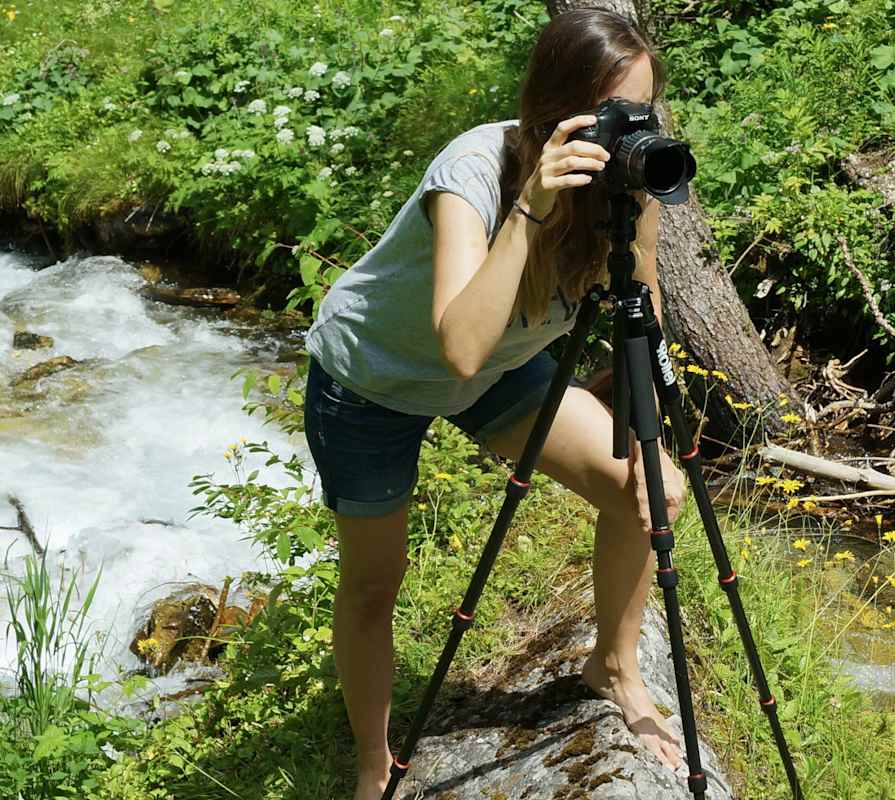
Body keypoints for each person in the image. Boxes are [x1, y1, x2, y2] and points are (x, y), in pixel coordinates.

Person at [302, 8, 688, 799]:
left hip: (496, 369)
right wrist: (533, 207)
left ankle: (613, 667)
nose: (629, 135)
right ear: (554, 109)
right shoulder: (474, 170)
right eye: (609, 117)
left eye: (641, 113)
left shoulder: (636, 175)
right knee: (377, 582)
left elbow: (639, 292)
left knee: (651, 493)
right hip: (374, 378)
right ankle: (374, 765)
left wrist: (649, 430)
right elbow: (461, 345)